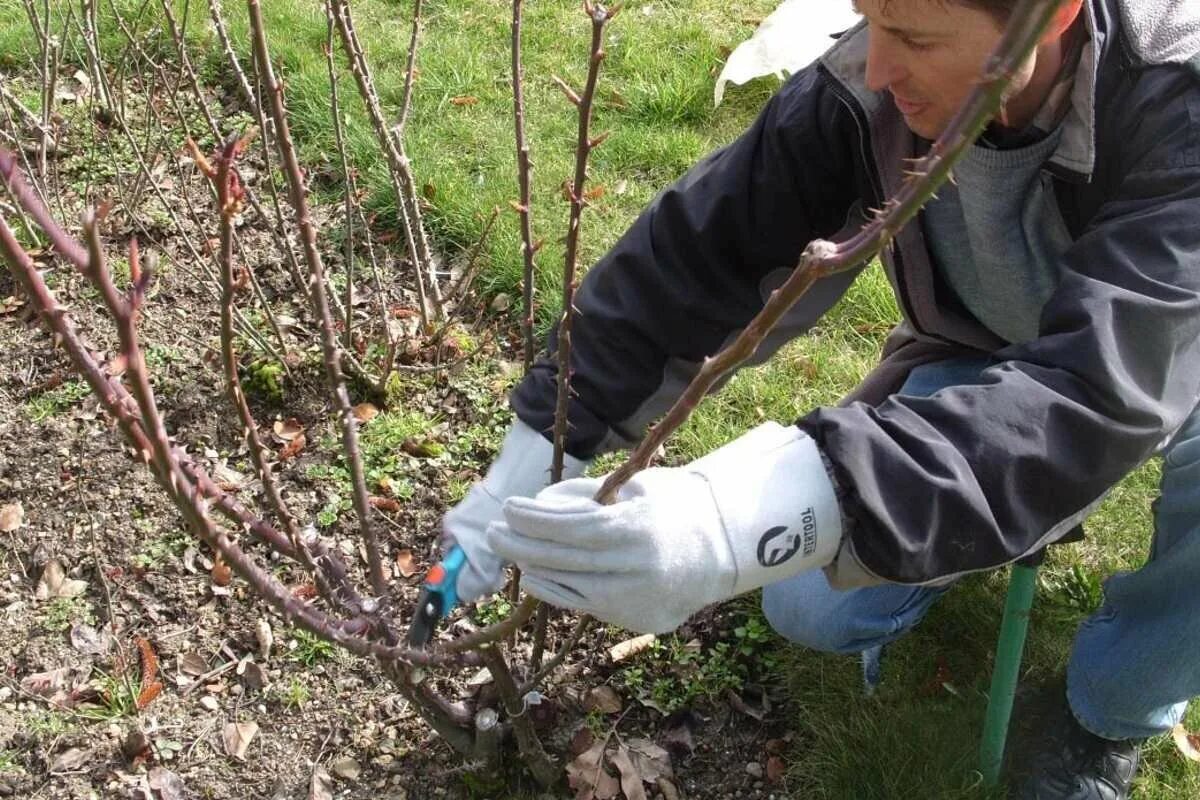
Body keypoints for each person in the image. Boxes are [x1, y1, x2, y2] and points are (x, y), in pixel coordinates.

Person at [441, 0, 1200, 796]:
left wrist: (768, 514)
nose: (876, 67)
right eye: (870, 17)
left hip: (1174, 349)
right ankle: (1002, 517)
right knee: (813, 611)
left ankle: (1114, 707)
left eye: (912, 37)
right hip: (995, 349)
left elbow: (1099, 390)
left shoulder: (1178, 99)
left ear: (1054, 16)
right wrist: (540, 442)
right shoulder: (866, 85)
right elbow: (702, 254)